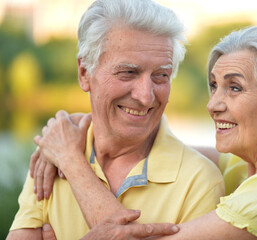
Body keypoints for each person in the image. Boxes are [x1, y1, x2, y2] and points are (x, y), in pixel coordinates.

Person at [30, 25, 257, 239]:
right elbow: (167, 148)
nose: (213, 105)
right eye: (214, 86)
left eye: (234, 88)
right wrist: (81, 126)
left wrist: (69, 158)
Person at [6, 0, 225, 239]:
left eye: (161, 75)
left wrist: (71, 160)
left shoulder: (199, 182)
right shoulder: (51, 154)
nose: (145, 96)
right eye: (128, 72)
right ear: (84, 73)